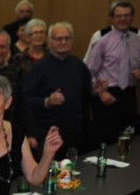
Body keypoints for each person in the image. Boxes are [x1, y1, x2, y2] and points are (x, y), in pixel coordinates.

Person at [86, 1, 140, 140]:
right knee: (105, 139)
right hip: (106, 95)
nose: (123, 19)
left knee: (129, 138)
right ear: (111, 18)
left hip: (129, 94)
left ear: (132, 17)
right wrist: (100, 93)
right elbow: (88, 71)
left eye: (127, 15)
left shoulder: (139, 40)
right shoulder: (102, 40)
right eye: (118, 16)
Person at [23, 22, 94, 152]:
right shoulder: (39, 67)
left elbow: (86, 94)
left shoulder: (78, 65)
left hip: (75, 132)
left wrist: (95, 91)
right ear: (49, 41)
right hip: (48, 132)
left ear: (72, 40)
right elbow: (26, 98)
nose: (63, 42)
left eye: (67, 38)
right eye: (59, 39)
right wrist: (47, 101)